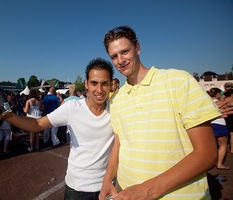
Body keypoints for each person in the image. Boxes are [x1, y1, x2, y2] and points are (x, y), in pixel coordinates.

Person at [99, 25, 221, 200]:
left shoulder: (179, 81)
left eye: (125, 51)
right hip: (126, 194)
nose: (120, 60)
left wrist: (146, 190)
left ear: (138, 48)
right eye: (114, 56)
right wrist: (107, 178)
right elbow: (119, 145)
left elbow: (207, 153)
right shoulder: (116, 99)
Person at [0, 58, 114, 200]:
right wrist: (8, 117)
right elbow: (38, 124)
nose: (99, 90)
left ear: (111, 85)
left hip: (108, 186)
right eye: (94, 83)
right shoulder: (72, 108)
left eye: (104, 83)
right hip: (78, 188)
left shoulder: (117, 109)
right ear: (86, 84)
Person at [208, 88, 230, 170]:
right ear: (217, 94)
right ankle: (219, 164)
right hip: (220, 124)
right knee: (223, 145)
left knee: (212, 146)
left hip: (210, 124)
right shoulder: (219, 102)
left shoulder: (207, 103)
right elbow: (226, 110)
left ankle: (210, 163)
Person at [224, 82, 233, 154]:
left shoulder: (223, 97)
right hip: (230, 115)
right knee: (232, 134)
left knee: (229, 132)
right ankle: (232, 149)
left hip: (226, 116)